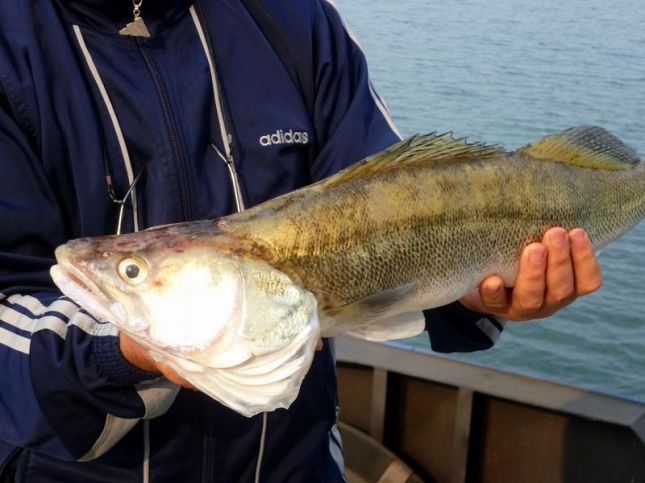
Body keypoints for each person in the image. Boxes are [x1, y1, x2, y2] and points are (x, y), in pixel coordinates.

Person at [0, 0, 602, 481]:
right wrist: (122, 352)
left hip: (297, 464)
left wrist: (478, 292)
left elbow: (403, 219)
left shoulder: (292, 17)